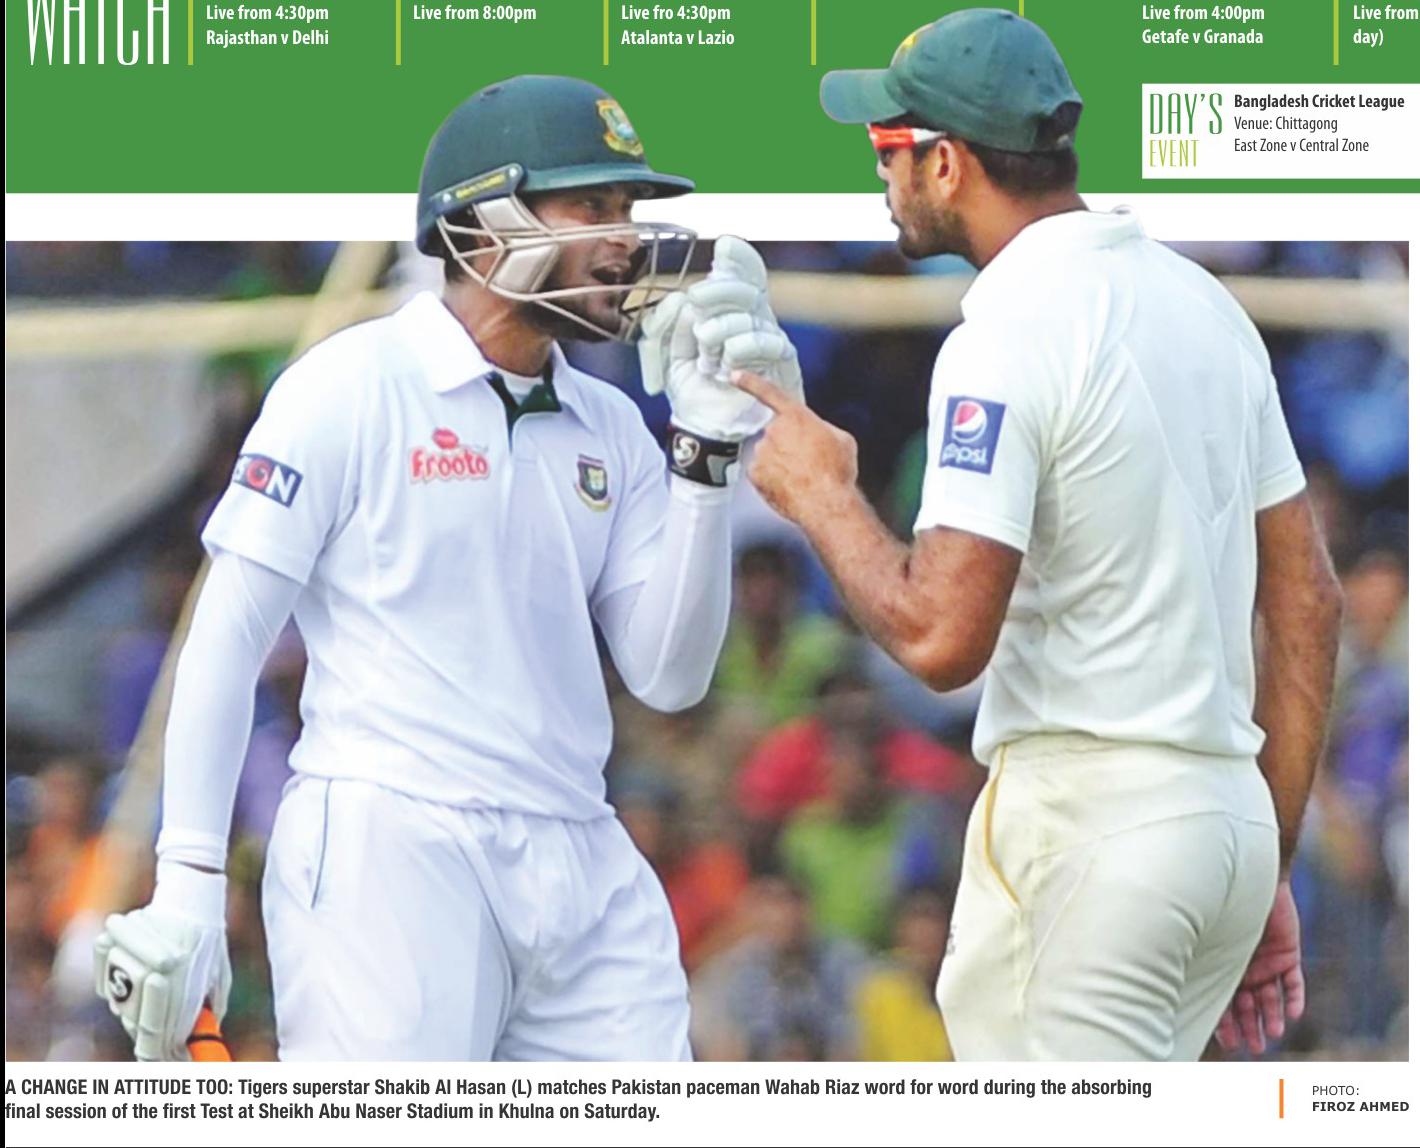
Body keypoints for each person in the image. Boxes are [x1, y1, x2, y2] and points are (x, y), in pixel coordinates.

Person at [93, 74, 801, 1061]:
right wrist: (189, 885)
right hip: (390, 845)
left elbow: (670, 676)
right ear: (480, 225)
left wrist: (704, 460)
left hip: (580, 852)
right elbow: (226, 634)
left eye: (628, 209)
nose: (624, 240)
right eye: (591, 206)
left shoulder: (611, 426)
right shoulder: (348, 386)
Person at [731, 9, 1344, 1060]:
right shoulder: (1205, 306)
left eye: (887, 147)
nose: (879, 173)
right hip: (1222, 829)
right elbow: (1308, 601)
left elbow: (940, 638)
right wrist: (1260, 858)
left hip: (1093, 834)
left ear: (947, 161)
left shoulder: (1009, 330)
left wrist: (822, 494)